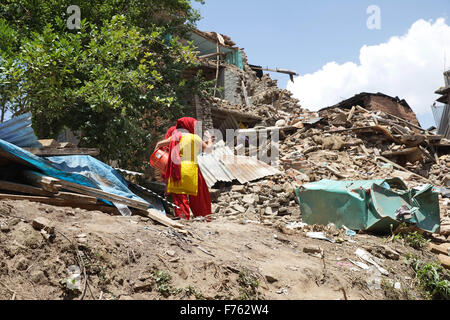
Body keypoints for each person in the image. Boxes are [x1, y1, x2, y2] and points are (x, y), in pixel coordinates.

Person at [154, 117, 213, 220]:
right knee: (197, 196)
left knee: (180, 198)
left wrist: (158, 156)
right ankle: (202, 217)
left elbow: (159, 144)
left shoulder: (175, 137)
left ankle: (183, 218)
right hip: (191, 171)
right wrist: (209, 140)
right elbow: (208, 150)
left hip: (176, 170)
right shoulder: (194, 137)